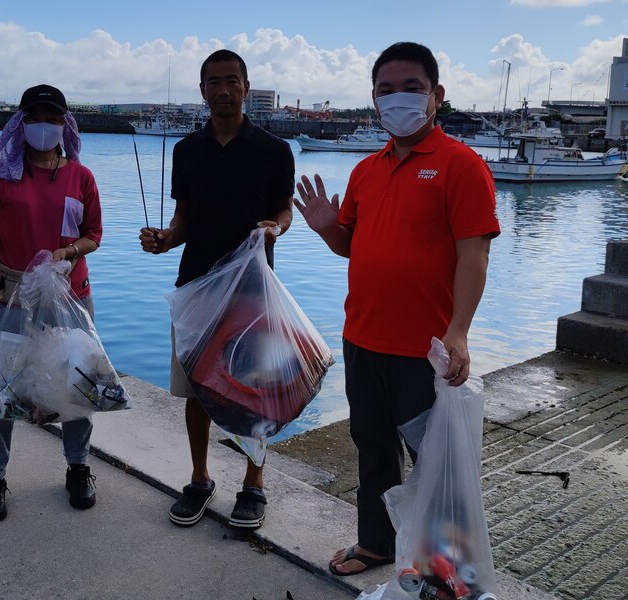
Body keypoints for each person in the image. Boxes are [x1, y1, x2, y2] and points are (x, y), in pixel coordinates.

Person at [293, 42, 500, 575]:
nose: (398, 99)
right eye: (386, 90)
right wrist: (327, 228)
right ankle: (376, 544)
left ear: (437, 96)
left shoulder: (462, 165)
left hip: (426, 348)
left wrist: (459, 332)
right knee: (372, 447)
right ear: (374, 100)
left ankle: (445, 567)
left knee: (438, 462)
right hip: (363, 337)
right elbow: (352, 245)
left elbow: (474, 253)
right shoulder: (366, 170)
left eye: (412, 87)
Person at [138, 49, 295, 531]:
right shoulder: (187, 151)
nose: (224, 90)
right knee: (197, 390)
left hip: (252, 290)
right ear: (202, 90)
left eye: (232, 81)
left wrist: (276, 228)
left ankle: (253, 484)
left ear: (246, 86)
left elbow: (285, 210)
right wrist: (166, 239)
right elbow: (184, 218)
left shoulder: (274, 149)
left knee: (254, 390)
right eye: (214, 82)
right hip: (196, 286)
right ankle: (199, 479)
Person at [0, 84, 103, 522]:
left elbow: (94, 235)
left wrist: (71, 251)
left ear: (66, 125)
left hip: (70, 299)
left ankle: (78, 468)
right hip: (7, 298)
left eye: (52, 119)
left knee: (77, 386)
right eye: (35, 118)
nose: (44, 127)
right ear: (20, 124)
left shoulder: (81, 177)